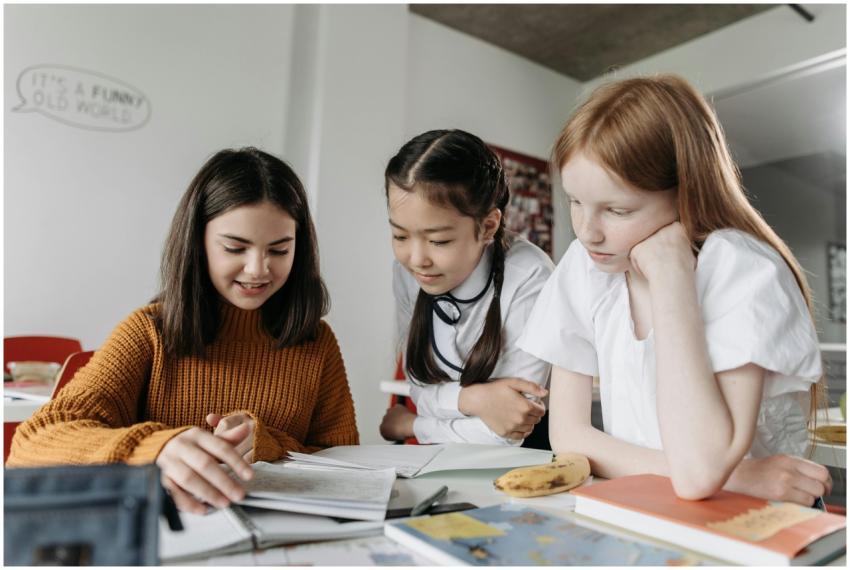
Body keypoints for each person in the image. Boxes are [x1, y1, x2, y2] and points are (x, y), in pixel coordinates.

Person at [519, 75, 832, 506]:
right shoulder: (584, 267)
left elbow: (698, 473)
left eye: (617, 209)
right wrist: (740, 477)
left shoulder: (741, 268)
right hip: (657, 505)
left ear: (686, 191)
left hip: (757, 517)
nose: (588, 233)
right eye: (575, 201)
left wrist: (671, 276)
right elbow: (569, 437)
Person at [8, 148, 359, 513]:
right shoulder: (149, 333)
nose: (258, 269)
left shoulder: (316, 341)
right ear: (199, 244)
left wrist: (266, 444)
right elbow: (31, 445)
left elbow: (346, 463)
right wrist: (155, 448)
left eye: (279, 250)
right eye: (235, 248)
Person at [379, 129, 553, 446]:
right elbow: (418, 386)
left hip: (521, 459)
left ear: (488, 226)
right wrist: (475, 401)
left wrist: (411, 426)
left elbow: (510, 428)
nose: (417, 260)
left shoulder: (530, 276)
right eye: (400, 236)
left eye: (439, 241)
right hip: (439, 456)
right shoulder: (405, 273)